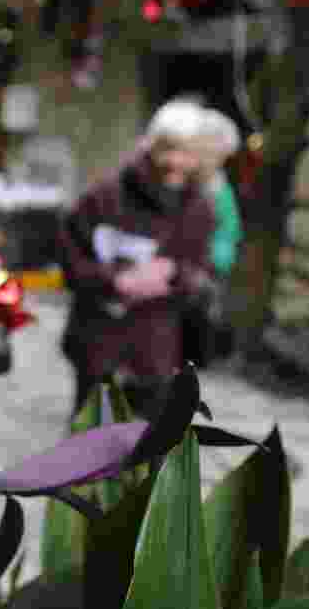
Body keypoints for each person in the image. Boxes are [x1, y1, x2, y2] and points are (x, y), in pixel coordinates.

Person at [58, 100, 217, 420]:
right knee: (88, 442)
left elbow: (201, 273)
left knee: (144, 446)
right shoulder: (106, 196)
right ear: (151, 147)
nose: (175, 162)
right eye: (167, 150)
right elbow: (69, 256)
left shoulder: (200, 208)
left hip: (154, 351)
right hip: (99, 341)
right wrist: (116, 280)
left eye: (186, 153)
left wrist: (175, 274)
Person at [184, 108, 243, 364]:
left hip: (203, 269)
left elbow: (229, 230)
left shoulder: (220, 188)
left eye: (221, 156)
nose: (215, 160)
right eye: (212, 152)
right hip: (173, 263)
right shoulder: (178, 177)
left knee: (201, 311)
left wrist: (216, 258)